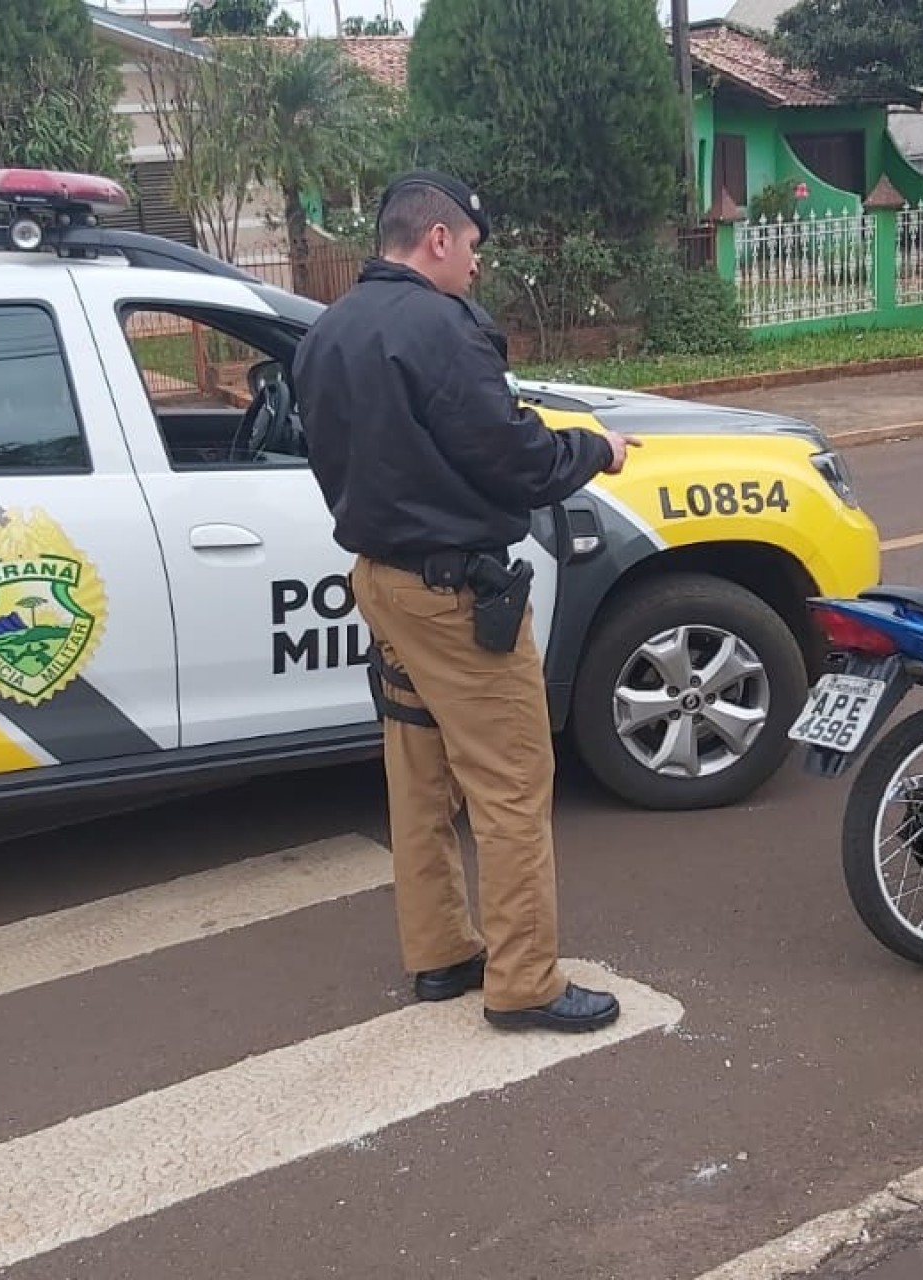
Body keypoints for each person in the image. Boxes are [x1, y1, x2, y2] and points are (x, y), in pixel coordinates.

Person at [290, 170, 638, 1034]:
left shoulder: (325, 333)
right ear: (437, 240)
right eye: (474, 247)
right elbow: (515, 457)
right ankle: (523, 983)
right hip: (456, 597)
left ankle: (443, 952)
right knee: (514, 783)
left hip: (383, 584)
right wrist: (596, 448)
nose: (478, 267)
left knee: (418, 778)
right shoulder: (440, 329)